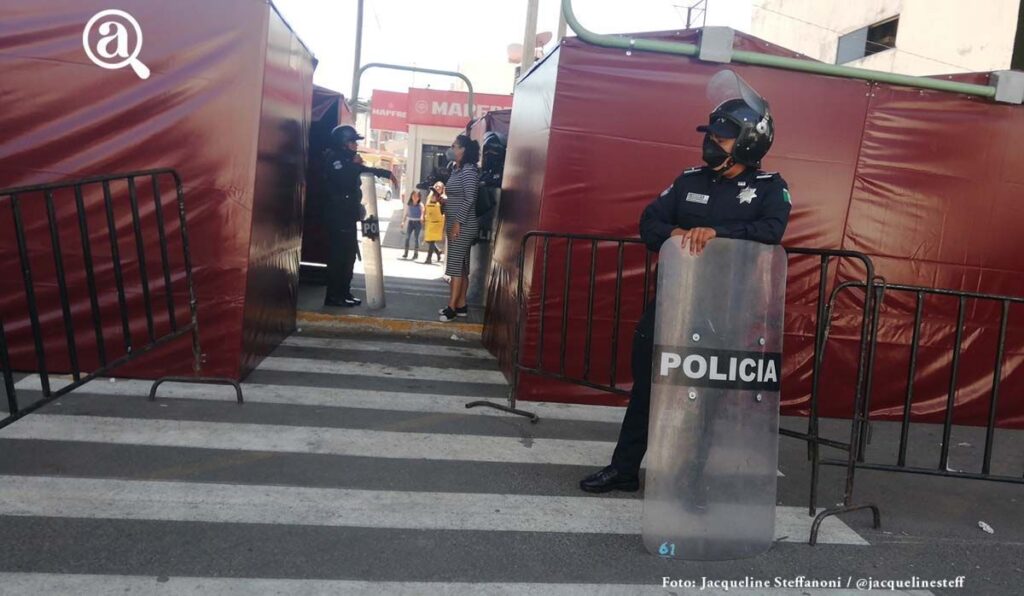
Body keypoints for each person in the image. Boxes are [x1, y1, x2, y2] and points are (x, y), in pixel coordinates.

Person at [579, 72, 792, 493]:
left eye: (724, 135)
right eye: (712, 132)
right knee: (646, 389)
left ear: (750, 141)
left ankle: (689, 481)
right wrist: (677, 235)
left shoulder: (770, 188)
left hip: (724, 312)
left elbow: (772, 231)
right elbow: (649, 222)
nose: (712, 140)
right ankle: (623, 470)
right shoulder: (689, 180)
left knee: (705, 401)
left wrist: (719, 235)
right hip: (673, 304)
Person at [321, 125, 393, 307]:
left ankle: (344, 292)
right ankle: (333, 296)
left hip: (347, 215)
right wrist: (359, 165)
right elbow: (345, 178)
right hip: (337, 216)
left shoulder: (348, 160)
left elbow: (358, 172)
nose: (355, 145)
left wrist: (380, 172)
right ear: (343, 143)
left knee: (349, 256)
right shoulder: (334, 159)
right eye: (352, 141)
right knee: (338, 257)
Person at [438, 135, 480, 322]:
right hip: (455, 222)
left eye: (454, 146)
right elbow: (457, 196)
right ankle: (461, 304)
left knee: (454, 267)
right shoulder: (457, 170)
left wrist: (457, 222)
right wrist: (443, 200)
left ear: (463, 150)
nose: (451, 149)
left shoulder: (469, 171)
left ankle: (451, 308)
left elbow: (470, 198)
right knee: (461, 266)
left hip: (462, 225)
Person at [423, 183, 446, 265]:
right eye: (436, 186)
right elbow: (426, 207)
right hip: (429, 220)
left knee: (431, 240)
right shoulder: (430, 196)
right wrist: (423, 216)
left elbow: (443, 210)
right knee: (428, 239)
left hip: (437, 222)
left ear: (442, 189)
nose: (437, 188)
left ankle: (428, 258)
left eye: (439, 187)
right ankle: (438, 251)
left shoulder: (442, 198)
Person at [401, 191, 424, 260]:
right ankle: (406, 253)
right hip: (410, 222)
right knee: (407, 237)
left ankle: (415, 254)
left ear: (419, 197)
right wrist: (403, 222)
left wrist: (422, 217)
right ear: (411, 196)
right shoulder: (409, 204)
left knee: (416, 238)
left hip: (417, 223)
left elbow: (423, 211)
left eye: (417, 196)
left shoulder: (420, 204)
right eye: (413, 196)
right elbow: (406, 213)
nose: (415, 198)